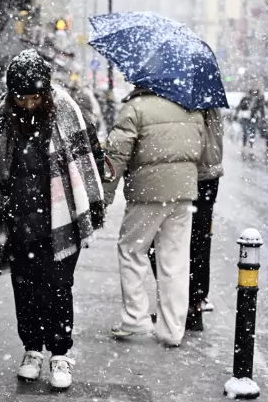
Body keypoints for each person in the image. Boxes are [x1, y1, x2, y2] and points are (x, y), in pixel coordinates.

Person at [0, 49, 104, 389]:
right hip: (19, 221)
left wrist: (88, 203)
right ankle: (32, 349)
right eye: (23, 98)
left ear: (46, 92)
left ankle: (60, 353)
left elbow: (89, 158)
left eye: (35, 97)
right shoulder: (2, 117)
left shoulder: (67, 112)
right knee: (25, 288)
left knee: (59, 288)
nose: (29, 104)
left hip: (61, 221)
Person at [103, 87, 205, 348]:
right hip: (183, 193)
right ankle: (172, 329)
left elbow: (116, 155)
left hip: (147, 192)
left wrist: (103, 196)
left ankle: (135, 317)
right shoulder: (190, 106)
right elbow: (201, 149)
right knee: (175, 261)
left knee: (131, 250)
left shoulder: (135, 108)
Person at [148, 109, 223, 332]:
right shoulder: (206, 94)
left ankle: (182, 306)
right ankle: (193, 305)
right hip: (207, 176)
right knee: (199, 242)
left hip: (191, 174)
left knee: (163, 240)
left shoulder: (187, 101)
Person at [237, 88, 264, 153]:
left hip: (253, 118)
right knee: (245, 132)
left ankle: (250, 146)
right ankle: (244, 145)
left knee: (252, 132)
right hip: (246, 117)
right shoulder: (245, 99)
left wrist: (262, 116)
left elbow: (261, 108)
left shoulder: (258, 100)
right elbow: (240, 107)